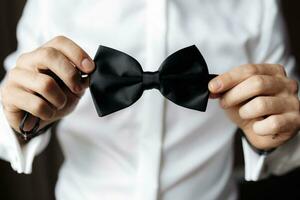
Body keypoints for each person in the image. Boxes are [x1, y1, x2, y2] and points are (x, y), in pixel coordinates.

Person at [0, 0, 300, 199]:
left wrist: (272, 136)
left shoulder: (256, 6)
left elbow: (290, 139)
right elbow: (7, 122)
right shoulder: (50, 4)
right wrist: (18, 118)